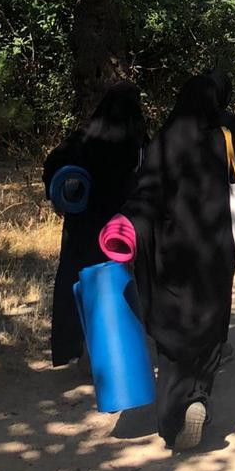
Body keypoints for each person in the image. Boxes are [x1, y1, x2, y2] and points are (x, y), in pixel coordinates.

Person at [117, 72, 235, 452]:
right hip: (215, 252)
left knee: (173, 338)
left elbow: (145, 197)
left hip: (172, 255)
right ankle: (198, 395)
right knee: (211, 326)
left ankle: (173, 416)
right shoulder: (222, 138)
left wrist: (127, 227)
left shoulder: (163, 142)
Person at [42, 83, 146, 368]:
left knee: (80, 283)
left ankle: (81, 350)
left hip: (83, 226)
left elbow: (53, 165)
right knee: (119, 287)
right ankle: (114, 351)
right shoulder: (135, 141)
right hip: (119, 229)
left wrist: (60, 198)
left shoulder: (84, 137)